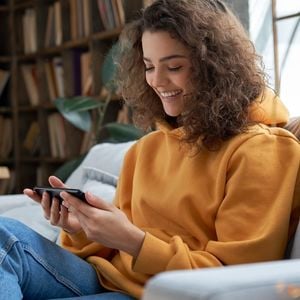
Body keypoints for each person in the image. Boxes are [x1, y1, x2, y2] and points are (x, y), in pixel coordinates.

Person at [0, 0, 299, 299]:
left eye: (174, 66)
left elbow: (235, 278)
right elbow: (110, 247)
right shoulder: (147, 149)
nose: (157, 80)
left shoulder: (263, 151)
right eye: (149, 66)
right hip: (104, 278)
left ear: (216, 67)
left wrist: (135, 242)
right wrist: (80, 228)